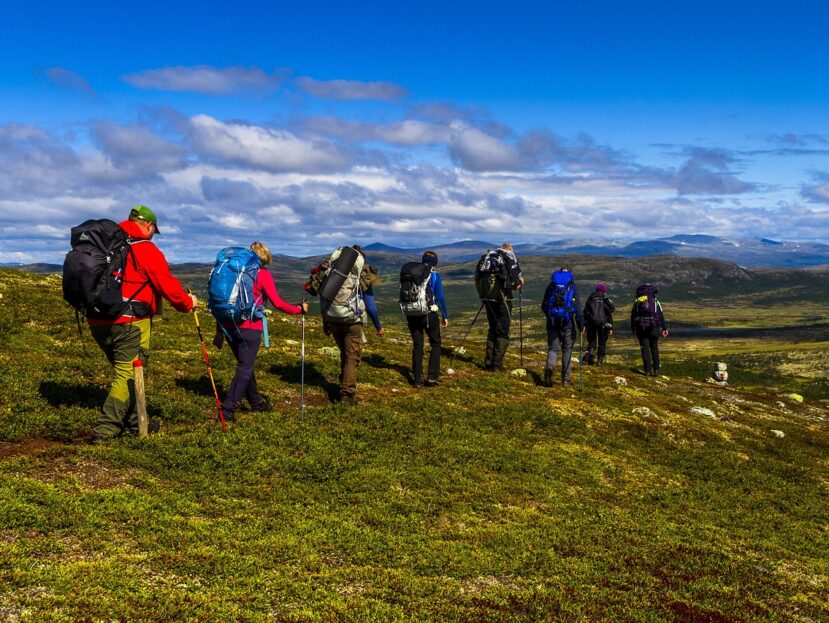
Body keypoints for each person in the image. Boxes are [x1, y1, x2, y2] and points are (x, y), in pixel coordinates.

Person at [87, 205, 198, 441]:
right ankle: (105, 430)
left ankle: (137, 420)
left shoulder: (107, 245)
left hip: (97, 319)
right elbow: (167, 285)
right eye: (153, 231)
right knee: (128, 372)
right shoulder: (145, 249)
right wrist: (187, 303)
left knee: (126, 371)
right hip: (130, 321)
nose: (152, 235)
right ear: (148, 226)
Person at [218, 242, 307, 422]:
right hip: (250, 327)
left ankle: (256, 401)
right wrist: (298, 309)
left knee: (246, 365)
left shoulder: (233, 271)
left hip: (228, 325)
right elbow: (278, 303)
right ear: (264, 258)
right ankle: (227, 409)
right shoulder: (262, 274)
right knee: (244, 368)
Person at [322, 245, 368, 405]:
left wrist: (325, 322)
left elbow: (324, 297)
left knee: (345, 353)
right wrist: (377, 324)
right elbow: (369, 302)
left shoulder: (331, 272)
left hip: (332, 317)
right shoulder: (359, 274)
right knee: (352, 357)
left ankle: (344, 383)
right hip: (352, 320)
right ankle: (347, 394)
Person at [478, 242, 524, 371]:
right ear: (510, 250)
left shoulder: (489, 258)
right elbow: (516, 284)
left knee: (493, 328)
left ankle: (488, 362)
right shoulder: (508, 258)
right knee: (503, 331)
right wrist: (520, 283)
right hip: (503, 300)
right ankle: (497, 365)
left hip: (488, 299)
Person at [406, 251, 449, 387]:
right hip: (429, 313)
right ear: (434, 264)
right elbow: (440, 297)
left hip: (412, 312)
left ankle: (417, 379)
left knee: (418, 345)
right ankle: (431, 377)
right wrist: (445, 316)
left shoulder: (411, 274)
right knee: (435, 343)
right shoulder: (434, 276)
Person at [541, 264, 584, 386]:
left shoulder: (551, 285)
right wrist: (581, 324)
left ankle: (550, 368)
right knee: (567, 349)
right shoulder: (572, 286)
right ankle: (566, 379)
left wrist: (550, 315)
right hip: (568, 322)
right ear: (571, 274)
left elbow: (544, 305)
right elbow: (578, 308)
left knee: (553, 349)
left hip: (552, 321)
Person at [630, 284, 669, 376]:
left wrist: (633, 328)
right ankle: (656, 370)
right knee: (654, 347)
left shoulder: (638, 301)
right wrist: (664, 328)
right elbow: (660, 314)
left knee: (645, 348)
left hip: (641, 328)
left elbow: (633, 315)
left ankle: (648, 370)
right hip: (654, 327)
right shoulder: (655, 300)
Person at [353, 245, 385, 339]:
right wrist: (378, 327)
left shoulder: (341, 274)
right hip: (352, 318)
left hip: (334, 316)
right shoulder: (363, 276)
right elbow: (371, 308)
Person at [582, 283, 615, 366]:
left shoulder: (591, 298)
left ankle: (591, 352)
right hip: (603, 324)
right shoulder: (605, 299)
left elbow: (586, 312)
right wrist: (610, 327)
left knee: (591, 340)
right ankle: (599, 361)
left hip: (591, 323)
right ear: (604, 291)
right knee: (602, 343)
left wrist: (585, 325)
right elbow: (610, 311)